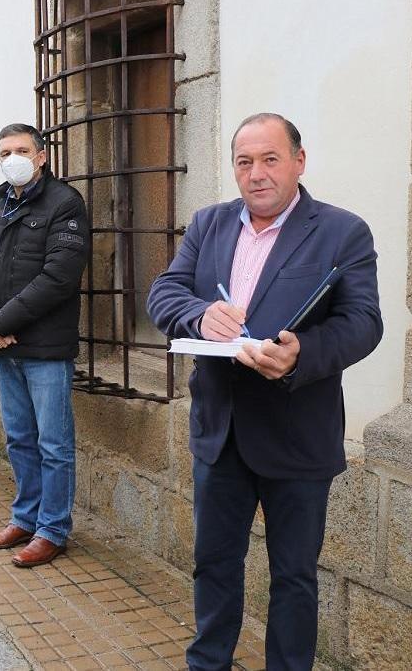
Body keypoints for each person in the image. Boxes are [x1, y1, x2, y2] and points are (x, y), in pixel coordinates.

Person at [147, 113, 382, 670]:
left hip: (297, 432)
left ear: (299, 162)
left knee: (294, 577)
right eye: (244, 162)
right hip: (221, 432)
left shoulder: (341, 231)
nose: (256, 174)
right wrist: (201, 315)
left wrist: (302, 353)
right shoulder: (209, 224)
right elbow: (165, 291)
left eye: (270, 159)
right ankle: (208, 664)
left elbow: (363, 322)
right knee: (213, 563)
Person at [0, 123, 89, 568]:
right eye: (4, 152)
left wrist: (1, 322)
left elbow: (59, 276)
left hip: (45, 348)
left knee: (53, 444)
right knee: (19, 439)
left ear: (41, 156)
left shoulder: (65, 203)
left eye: (21, 150)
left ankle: (53, 529)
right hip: (3, 345)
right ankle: (26, 517)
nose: (12, 157)